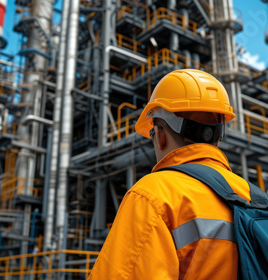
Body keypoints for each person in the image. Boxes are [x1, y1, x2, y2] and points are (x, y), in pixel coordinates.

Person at [88, 69, 251, 279]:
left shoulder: (152, 196)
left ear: (161, 134)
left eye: (152, 133)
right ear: (218, 136)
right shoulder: (255, 199)